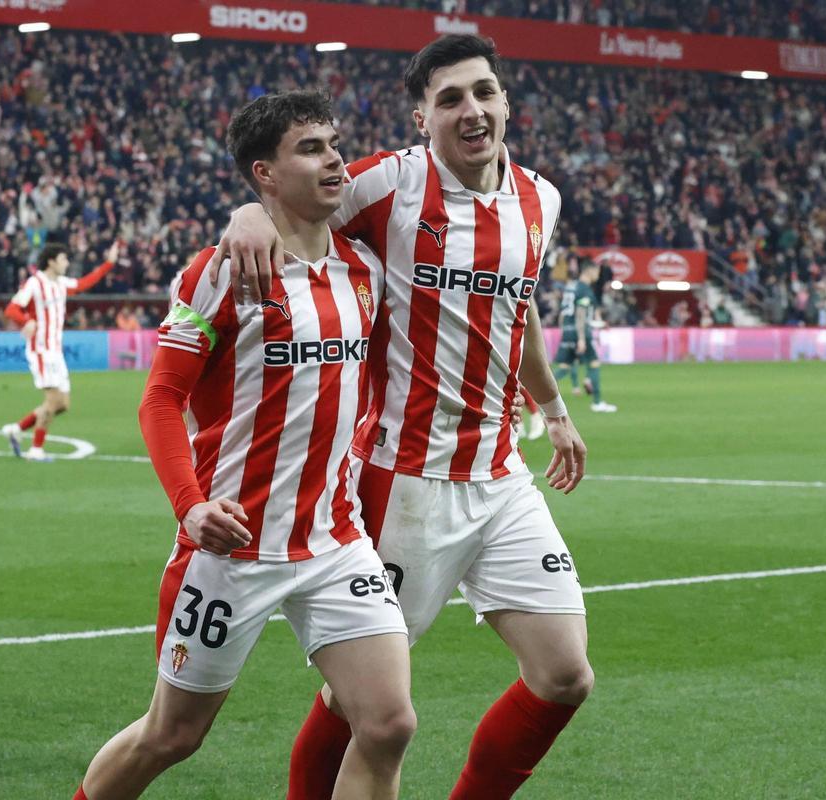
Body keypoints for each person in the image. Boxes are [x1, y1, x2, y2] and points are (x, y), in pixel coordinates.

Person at [217, 35, 591, 800]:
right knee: (363, 710)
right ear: (422, 118)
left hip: (500, 476)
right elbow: (291, 193)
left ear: (506, 102)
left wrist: (553, 409)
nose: (471, 110)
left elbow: (514, 315)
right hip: (403, 484)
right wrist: (248, 213)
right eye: (449, 99)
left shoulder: (539, 200)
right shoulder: (384, 185)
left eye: (483, 92)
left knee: (564, 676)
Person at [70, 91, 413, 800]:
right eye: (311, 148)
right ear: (264, 173)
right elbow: (160, 398)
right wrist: (191, 509)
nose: (335, 159)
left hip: (333, 541)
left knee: (387, 724)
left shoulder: (365, 271)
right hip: (232, 547)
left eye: (335, 143)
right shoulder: (219, 271)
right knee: (172, 736)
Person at [0, 241, 118, 461]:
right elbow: (11, 308)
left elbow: (84, 283)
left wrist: (108, 263)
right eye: (64, 259)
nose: (67, 262)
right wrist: (25, 320)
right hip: (41, 350)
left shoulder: (61, 283)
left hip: (56, 351)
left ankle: (16, 429)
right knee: (53, 400)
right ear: (52, 261)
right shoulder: (35, 283)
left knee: (62, 404)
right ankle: (36, 449)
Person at [555, 259, 616, 412]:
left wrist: (565, 331)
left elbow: (563, 314)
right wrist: (581, 338)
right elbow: (581, 315)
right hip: (579, 332)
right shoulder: (584, 290)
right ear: (589, 271)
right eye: (597, 272)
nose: (597, 275)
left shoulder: (571, 287)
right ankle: (597, 402)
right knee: (594, 363)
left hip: (568, 331)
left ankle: (532, 393)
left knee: (564, 367)